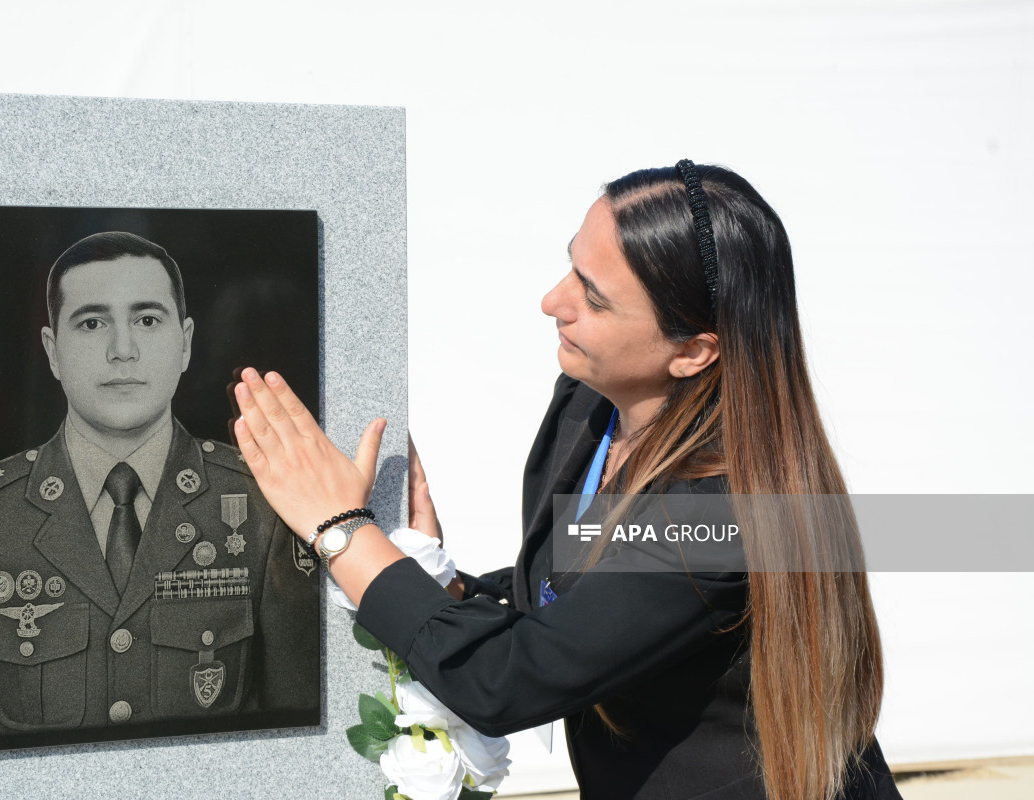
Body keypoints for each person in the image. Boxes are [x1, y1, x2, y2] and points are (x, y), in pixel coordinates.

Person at [227, 161, 903, 800]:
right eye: (572, 267)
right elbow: (582, 586)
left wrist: (342, 530)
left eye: (595, 298)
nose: (552, 301)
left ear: (693, 351)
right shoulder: (589, 404)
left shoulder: (725, 511)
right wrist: (442, 582)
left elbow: (507, 683)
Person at [0, 231, 318, 752]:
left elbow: (299, 737)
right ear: (52, 351)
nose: (122, 351)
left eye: (147, 320)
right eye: (92, 323)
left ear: (186, 343)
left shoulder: (262, 501)